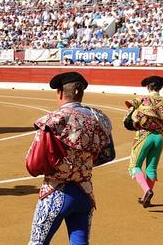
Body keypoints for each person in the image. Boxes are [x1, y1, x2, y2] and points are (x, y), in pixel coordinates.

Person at [27, 72, 113, 245]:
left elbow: (33, 164)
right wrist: (82, 164)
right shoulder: (99, 119)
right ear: (80, 93)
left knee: (37, 243)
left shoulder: (53, 121)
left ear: (59, 92)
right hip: (85, 192)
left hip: (55, 192)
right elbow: (108, 154)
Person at [125, 75, 163, 208]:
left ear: (148, 87)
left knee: (134, 166)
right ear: (160, 88)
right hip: (159, 137)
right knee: (152, 167)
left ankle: (147, 191)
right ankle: (146, 198)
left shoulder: (142, 100)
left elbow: (129, 119)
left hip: (145, 136)